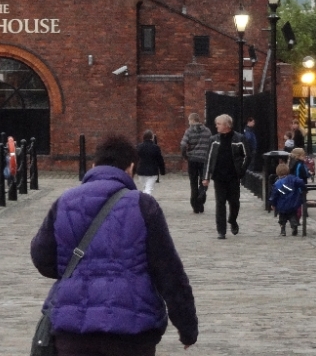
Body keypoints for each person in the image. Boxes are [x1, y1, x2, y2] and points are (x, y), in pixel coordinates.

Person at [30, 134, 198, 354]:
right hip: (131, 332)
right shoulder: (143, 206)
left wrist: (77, 271)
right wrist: (187, 328)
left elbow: (42, 257)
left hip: (73, 332)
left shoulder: (65, 201)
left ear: (93, 166)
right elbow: (169, 272)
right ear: (131, 168)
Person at [202, 114, 250, 240]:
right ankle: (221, 231)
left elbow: (247, 156)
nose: (216, 126)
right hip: (219, 176)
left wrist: (241, 171)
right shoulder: (214, 140)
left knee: (234, 202)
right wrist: (206, 177)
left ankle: (232, 220)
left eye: (219, 124)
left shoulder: (239, 138)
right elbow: (208, 159)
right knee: (220, 203)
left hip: (233, 176)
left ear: (226, 125)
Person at [179, 113, 212, 213]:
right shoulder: (207, 131)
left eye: (189, 120)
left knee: (193, 182)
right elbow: (211, 145)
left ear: (192, 120)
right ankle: (201, 196)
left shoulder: (189, 131)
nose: (189, 122)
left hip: (192, 159)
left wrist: (185, 156)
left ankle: (195, 205)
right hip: (204, 160)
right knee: (204, 180)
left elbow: (183, 145)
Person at [269, 162, 305, 236]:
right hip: (293, 203)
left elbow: (274, 195)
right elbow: (301, 182)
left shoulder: (276, 184)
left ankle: (283, 230)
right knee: (292, 215)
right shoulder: (293, 179)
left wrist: (273, 204)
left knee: (282, 218)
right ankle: (294, 225)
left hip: (281, 205)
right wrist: (303, 188)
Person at [135, 130, 166, 195]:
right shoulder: (155, 148)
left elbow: (135, 159)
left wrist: (134, 169)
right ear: (152, 137)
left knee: (145, 187)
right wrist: (162, 171)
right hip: (152, 171)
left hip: (141, 171)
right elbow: (160, 160)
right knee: (148, 188)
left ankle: (144, 199)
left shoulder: (139, 147)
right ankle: (146, 200)